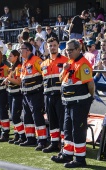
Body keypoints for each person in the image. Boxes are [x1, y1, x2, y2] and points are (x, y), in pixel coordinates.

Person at [52, 39, 95, 168]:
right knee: (68, 130)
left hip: (79, 104)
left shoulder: (83, 64)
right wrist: (64, 70)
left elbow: (91, 85)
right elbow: (61, 79)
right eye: (67, 50)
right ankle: (67, 154)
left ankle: (80, 159)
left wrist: (89, 98)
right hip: (68, 103)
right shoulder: (69, 62)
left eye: (71, 50)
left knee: (78, 131)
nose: (68, 52)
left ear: (78, 49)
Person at [41, 37, 68, 153]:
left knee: (62, 121)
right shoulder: (44, 63)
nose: (52, 47)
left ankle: (63, 145)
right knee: (52, 121)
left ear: (58, 46)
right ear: (47, 47)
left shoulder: (65, 61)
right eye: (50, 45)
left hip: (60, 95)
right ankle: (53, 143)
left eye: (54, 45)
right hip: (48, 95)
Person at [19, 42, 47, 151]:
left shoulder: (36, 60)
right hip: (26, 95)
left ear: (28, 50)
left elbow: (45, 74)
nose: (20, 50)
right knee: (27, 117)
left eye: (22, 48)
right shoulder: (25, 62)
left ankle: (42, 141)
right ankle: (30, 139)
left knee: (37, 117)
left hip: (36, 94)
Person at [2, 50, 26, 144]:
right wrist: (8, 81)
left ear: (16, 57)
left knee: (15, 116)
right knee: (13, 115)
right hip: (11, 93)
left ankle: (22, 135)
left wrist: (8, 79)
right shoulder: (12, 67)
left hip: (17, 94)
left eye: (11, 56)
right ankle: (17, 135)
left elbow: (18, 82)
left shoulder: (19, 66)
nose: (8, 58)